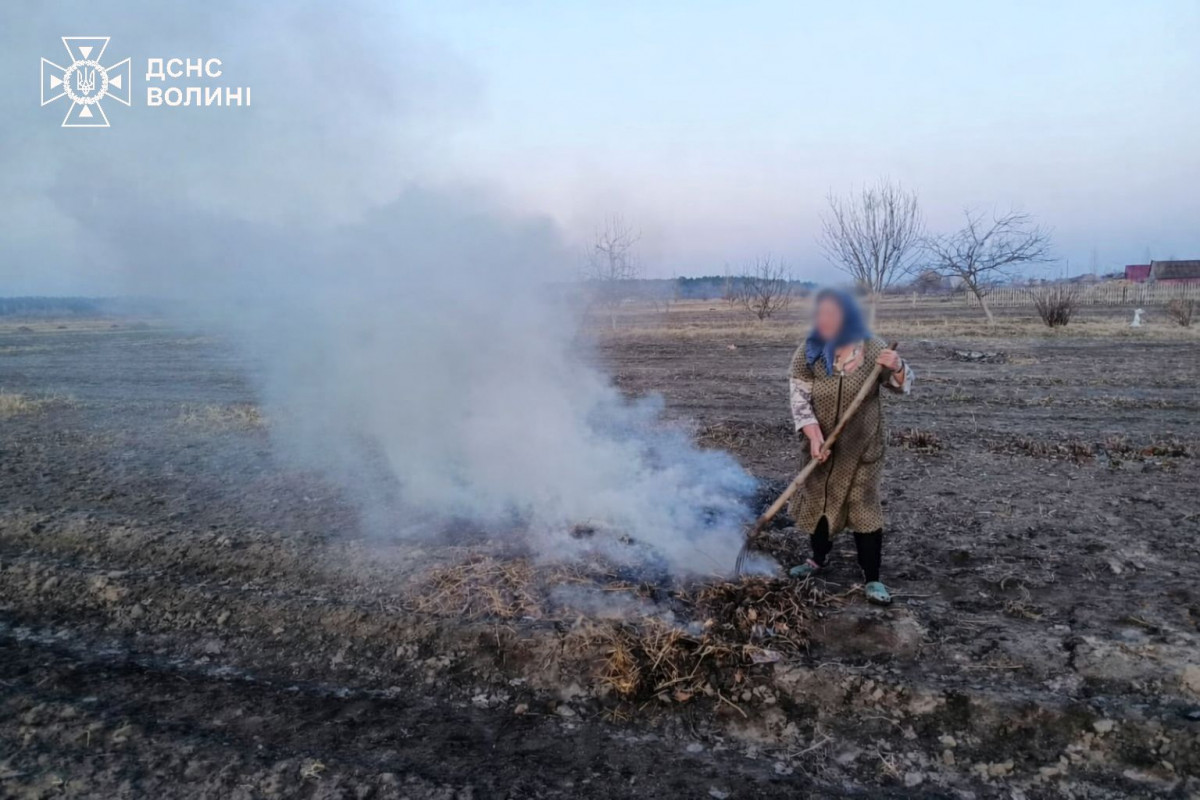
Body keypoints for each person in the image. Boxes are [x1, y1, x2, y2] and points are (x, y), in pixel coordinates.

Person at [786, 289, 912, 605]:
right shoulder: (809, 351)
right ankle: (817, 559)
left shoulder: (873, 349)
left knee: (863, 507)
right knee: (819, 499)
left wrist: (896, 366)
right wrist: (814, 437)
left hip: (862, 447)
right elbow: (799, 400)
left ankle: (872, 578)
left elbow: (903, 386)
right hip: (821, 446)